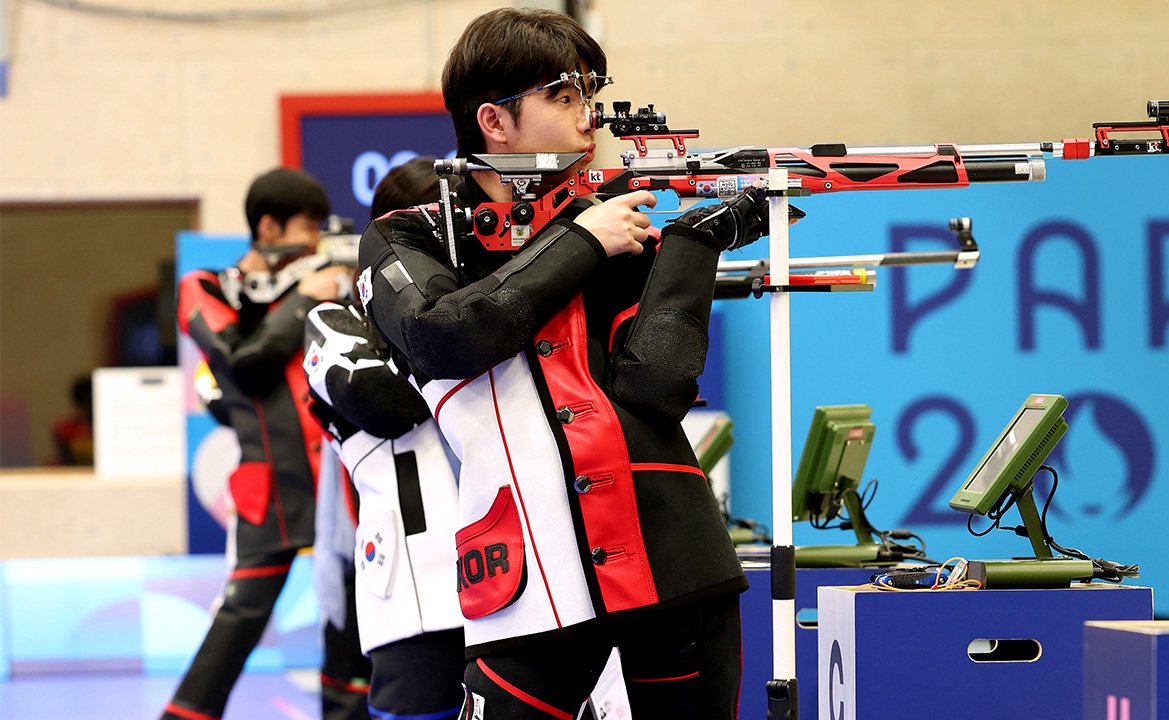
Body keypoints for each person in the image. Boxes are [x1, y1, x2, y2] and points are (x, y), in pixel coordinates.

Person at [357, 8, 781, 718]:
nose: (591, 117)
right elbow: (445, 338)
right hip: (520, 573)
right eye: (564, 95)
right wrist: (584, 242)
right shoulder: (407, 236)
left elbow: (656, 386)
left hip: (671, 559)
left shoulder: (609, 216)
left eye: (591, 92)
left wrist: (693, 245)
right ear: (494, 121)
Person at [167, 167, 370, 720]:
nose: (312, 243)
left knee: (348, 619)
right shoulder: (203, 286)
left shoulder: (328, 280)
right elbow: (242, 365)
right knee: (239, 620)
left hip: (341, 481)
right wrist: (303, 300)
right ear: (269, 226)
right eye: (305, 228)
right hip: (270, 488)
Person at [304, 157, 468, 720]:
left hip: (517, 578)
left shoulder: (480, 307)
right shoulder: (336, 320)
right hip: (413, 591)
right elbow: (381, 403)